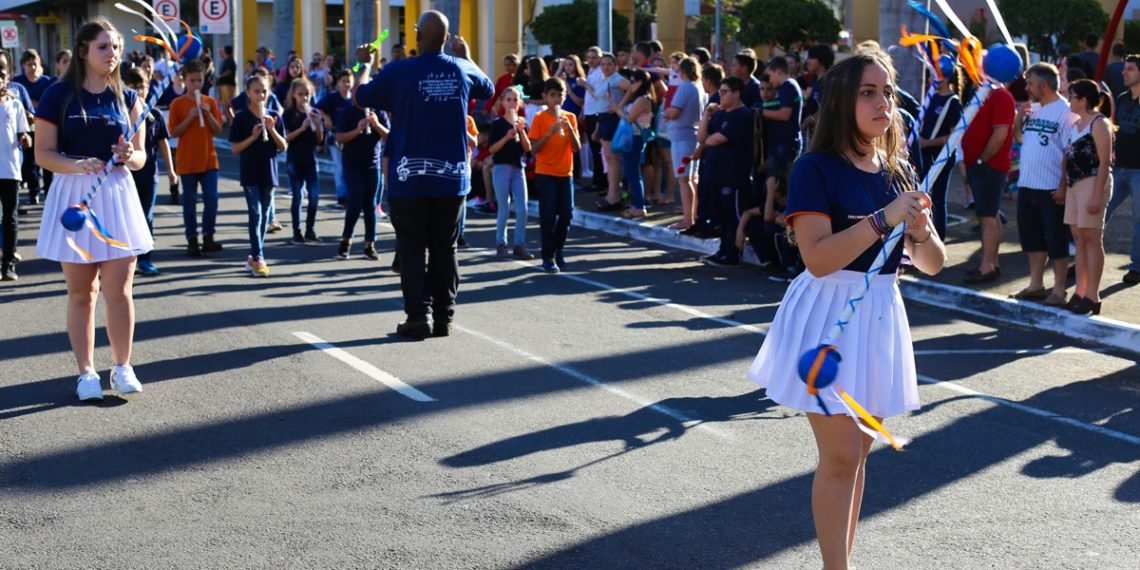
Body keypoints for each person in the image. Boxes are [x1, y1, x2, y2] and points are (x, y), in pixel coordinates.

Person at [747, 51, 945, 570]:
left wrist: (919, 230)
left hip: (880, 311)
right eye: (868, 92)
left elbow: (933, 263)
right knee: (839, 456)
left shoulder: (899, 168)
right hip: (827, 315)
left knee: (858, 454)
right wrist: (884, 220)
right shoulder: (815, 168)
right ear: (841, 100)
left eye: (887, 91)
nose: (883, 102)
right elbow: (817, 258)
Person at [354, 10, 494, 339]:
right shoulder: (461, 68)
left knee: (413, 248)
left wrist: (365, 64)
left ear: (417, 36)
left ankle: (418, 318)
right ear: (446, 38)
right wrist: (468, 58)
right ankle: (444, 318)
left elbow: (361, 96)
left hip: (409, 178)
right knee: (446, 249)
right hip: (452, 178)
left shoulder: (398, 70)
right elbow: (487, 89)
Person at [34, 18, 151, 400]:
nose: (112, 54)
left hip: (116, 195)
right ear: (83, 50)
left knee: (120, 288)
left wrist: (130, 154)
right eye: (104, 46)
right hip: (75, 196)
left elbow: (141, 158)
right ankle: (86, 373)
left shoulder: (129, 98)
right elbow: (43, 154)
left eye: (116, 47)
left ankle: (121, 367)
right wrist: (76, 165)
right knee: (82, 291)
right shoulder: (57, 95)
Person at [1010, 63, 1073, 306]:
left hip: (1051, 188)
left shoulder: (1066, 111)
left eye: (1030, 83)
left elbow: (1069, 151)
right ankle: (1036, 285)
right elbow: (1020, 139)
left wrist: (1063, 186)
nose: (1026, 88)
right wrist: (1018, 119)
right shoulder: (1033, 108)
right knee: (1032, 238)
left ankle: (1059, 291)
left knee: (1056, 240)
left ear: (1044, 85)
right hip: (1028, 185)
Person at [961, 65, 1017, 284]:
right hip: (983, 164)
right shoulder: (985, 93)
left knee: (987, 216)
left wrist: (982, 159)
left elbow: (1000, 133)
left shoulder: (1001, 95)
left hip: (989, 165)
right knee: (991, 215)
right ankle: (991, 262)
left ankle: (987, 265)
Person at [1064, 79, 1114, 315]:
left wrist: (1097, 195)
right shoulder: (1076, 123)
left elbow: (1105, 162)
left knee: (1092, 238)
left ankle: (1092, 295)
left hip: (1092, 183)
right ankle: (1080, 291)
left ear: (1083, 100)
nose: (1069, 99)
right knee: (1080, 238)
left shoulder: (1099, 123)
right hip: (1074, 185)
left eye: (1072, 96)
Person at [229, 74, 286, 277]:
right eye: (256, 91)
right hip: (250, 172)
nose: (261, 95)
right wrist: (253, 137)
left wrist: (271, 130)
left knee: (264, 218)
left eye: (264, 91)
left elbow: (283, 146)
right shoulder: (242, 117)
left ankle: (254, 256)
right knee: (256, 214)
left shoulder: (273, 115)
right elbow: (235, 149)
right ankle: (259, 256)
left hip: (269, 173)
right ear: (248, 93)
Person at [168, 59, 224, 256]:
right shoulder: (178, 103)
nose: (196, 84)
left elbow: (218, 130)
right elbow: (174, 132)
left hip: (209, 160)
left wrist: (208, 115)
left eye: (199, 80)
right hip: (187, 161)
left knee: (212, 200)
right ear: (185, 81)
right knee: (189, 203)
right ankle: (192, 240)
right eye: (192, 81)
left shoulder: (210, 102)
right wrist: (191, 116)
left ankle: (208, 236)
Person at [122, 68, 174, 277]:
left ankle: (145, 258)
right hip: (126, 175)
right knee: (124, 217)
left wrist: (171, 171)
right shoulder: (121, 114)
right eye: (134, 87)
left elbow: (163, 143)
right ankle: (123, 257)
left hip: (149, 174)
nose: (139, 90)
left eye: (142, 86)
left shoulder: (155, 114)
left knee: (146, 216)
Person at [698, 76, 753, 267]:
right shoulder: (719, 114)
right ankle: (723, 249)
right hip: (715, 173)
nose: (720, 96)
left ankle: (733, 252)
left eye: (724, 92)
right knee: (720, 214)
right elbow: (702, 137)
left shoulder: (743, 115)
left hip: (733, 174)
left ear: (737, 93)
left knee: (732, 214)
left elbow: (714, 140)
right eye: (719, 92)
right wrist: (707, 113)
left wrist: (707, 139)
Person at [530, 77, 580, 273]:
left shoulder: (570, 117)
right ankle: (547, 256)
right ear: (545, 97)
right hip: (546, 173)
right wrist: (549, 133)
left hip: (565, 173)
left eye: (560, 95)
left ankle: (558, 250)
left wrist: (570, 131)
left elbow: (576, 147)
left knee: (567, 214)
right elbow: (534, 149)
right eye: (553, 95)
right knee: (548, 216)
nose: (557, 99)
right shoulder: (540, 118)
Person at [335, 72, 387, 261]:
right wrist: (357, 130)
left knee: (371, 204)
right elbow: (339, 138)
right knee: (355, 202)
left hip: (373, 164)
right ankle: (346, 240)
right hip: (352, 164)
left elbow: (388, 136)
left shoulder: (378, 111)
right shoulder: (348, 112)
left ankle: (369, 245)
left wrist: (376, 124)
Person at [918, 65, 963, 240]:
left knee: (937, 200)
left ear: (944, 78)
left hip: (941, 157)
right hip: (926, 154)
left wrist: (927, 143)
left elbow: (954, 136)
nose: (929, 80)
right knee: (923, 198)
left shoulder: (953, 102)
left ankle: (938, 241)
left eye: (933, 77)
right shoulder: (933, 97)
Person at [489, 86, 533, 259]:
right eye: (509, 100)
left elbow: (528, 148)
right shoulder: (497, 124)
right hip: (501, 168)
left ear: (520, 102)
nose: (512, 103)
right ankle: (501, 242)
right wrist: (507, 137)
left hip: (518, 168)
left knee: (522, 208)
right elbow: (492, 149)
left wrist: (521, 131)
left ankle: (519, 244)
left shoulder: (522, 122)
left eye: (515, 100)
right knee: (504, 207)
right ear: (502, 102)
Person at [1108, 54, 1140, 285]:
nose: (1123, 72)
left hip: (1139, 170)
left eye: (1129, 69)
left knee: (1139, 220)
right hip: (1118, 167)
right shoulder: (1121, 98)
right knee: (1100, 211)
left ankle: (1137, 267)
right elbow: (1114, 128)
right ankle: (1083, 259)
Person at [282, 77, 324, 244]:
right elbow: (286, 137)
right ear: (293, 95)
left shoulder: (314, 112)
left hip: (311, 160)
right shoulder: (289, 113)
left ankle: (310, 229)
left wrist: (317, 125)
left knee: (314, 196)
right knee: (298, 196)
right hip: (295, 160)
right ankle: (296, 231)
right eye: (301, 94)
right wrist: (302, 128)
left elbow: (320, 140)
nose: (304, 98)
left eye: (307, 94)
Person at [0, 60, 31, 281]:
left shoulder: (14, 105)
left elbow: (23, 133)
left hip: (9, 169)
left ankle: (8, 264)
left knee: (10, 218)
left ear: (6, 80)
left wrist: (26, 138)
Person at [13, 49, 54, 204]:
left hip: (46, 125)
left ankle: (49, 191)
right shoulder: (19, 83)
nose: (33, 67)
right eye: (29, 64)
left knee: (48, 160)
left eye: (35, 63)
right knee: (30, 162)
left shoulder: (47, 82)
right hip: (28, 127)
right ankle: (33, 191)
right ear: (23, 65)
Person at [616, 69, 655, 220]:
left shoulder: (643, 99)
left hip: (636, 138)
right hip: (631, 137)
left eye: (633, 82)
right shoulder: (637, 98)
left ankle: (640, 206)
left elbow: (629, 119)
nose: (630, 85)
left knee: (633, 172)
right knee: (630, 172)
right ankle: (636, 204)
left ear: (640, 82)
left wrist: (616, 109)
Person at [317, 69, 354, 209]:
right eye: (343, 81)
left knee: (350, 167)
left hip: (352, 137)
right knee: (340, 167)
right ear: (338, 82)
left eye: (348, 81)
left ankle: (352, 196)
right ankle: (342, 196)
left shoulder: (353, 99)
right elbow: (318, 108)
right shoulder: (332, 98)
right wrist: (326, 118)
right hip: (335, 137)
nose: (346, 84)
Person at [216, 45, 237, 111]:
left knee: (227, 104)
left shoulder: (230, 61)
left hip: (228, 85)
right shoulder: (226, 60)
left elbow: (229, 71)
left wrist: (220, 76)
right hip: (223, 84)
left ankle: (230, 119)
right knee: (224, 104)